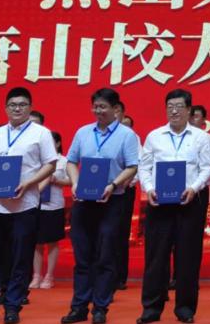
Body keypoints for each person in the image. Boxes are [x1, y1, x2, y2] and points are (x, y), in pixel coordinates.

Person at [0, 87, 58, 324]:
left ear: (30, 107)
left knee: (20, 258)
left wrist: (28, 183)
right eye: (12, 105)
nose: (17, 108)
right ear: (6, 108)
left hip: (24, 205)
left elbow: (50, 164)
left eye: (22, 104)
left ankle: (12, 307)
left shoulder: (41, 133)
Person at [61, 88, 140, 324]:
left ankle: (100, 307)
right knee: (82, 256)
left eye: (103, 107)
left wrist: (113, 185)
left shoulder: (127, 135)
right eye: (95, 106)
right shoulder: (83, 132)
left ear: (116, 109)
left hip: (112, 200)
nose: (98, 111)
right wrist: (75, 182)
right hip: (84, 201)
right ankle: (79, 307)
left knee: (106, 255)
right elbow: (71, 161)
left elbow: (132, 166)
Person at [136, 89, 210, 324]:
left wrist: (194, 188)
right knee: (156, 256)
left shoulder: (200, 137)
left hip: (190, 202)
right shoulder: (154, 136)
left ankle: (185, 308)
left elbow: (207, 168)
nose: (174, 111)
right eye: (170, 106)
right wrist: (149, 188)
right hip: (159, 202)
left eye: (179, 106)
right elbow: (144, 167)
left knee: (188, 256)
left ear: (189, 110)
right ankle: (152, 307)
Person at [31, 131, 69, 290]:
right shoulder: (37, 159)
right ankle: (36, 275)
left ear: (58, 144)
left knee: (52, 241)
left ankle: (49, 275)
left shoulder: (63, 161)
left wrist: (57, 180)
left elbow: (72, 181)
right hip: (35, 203)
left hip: (54, 205)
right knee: (36, 242)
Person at [113, 101, 139, 292]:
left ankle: (119, 277)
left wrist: (128, 180)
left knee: (121, 233)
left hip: (124, 190)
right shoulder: (92, 133)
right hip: (100, 190)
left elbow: (139, 163)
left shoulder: (131, 136)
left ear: (122, 113)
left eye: (117, 111)